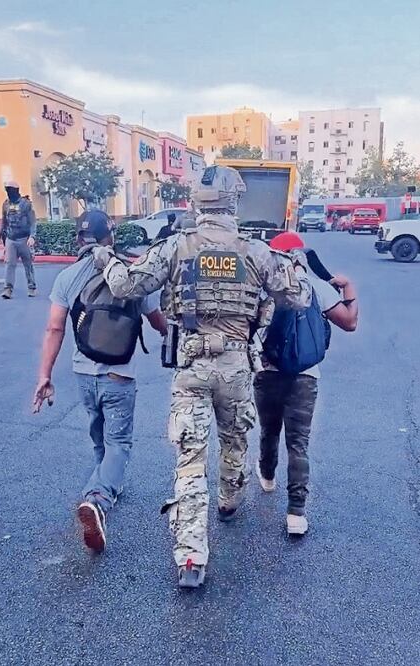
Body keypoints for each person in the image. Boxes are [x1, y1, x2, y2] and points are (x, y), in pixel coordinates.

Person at [91, 165, 312, 588]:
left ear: (196, 201)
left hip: (191, 367)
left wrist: (106, 258)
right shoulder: (256, 251)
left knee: (190, 458)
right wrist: (295, 264)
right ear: (235, 201)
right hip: (236, 367)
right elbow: (298, 297)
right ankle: (230, 499)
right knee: (235, 437)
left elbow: (126, 286)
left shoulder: (176, 247)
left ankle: (191, 557)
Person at [32, 210, 168, 553]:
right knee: (119, 442)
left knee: (99, 435)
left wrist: (45, 375)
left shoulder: (67, 277)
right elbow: (158, 322)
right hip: (119, 372)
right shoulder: (132, 273)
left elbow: (54, 328)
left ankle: (105, 483)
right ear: (112, 236)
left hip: (84, 373)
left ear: (79, 239)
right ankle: (98, 497)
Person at [254, 231, 358, 536]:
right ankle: (296, 514)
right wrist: (348, 287)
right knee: (298, 442)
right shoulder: (314, 288)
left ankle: (267, 475)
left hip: (267, 371)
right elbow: (349, 322)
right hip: (306, 376)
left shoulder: (262, 288)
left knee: (268, 430)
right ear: (300, 257)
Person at [0, 180, 37, 299]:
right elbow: (3, 221)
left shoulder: (26, 204)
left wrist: (32, 236)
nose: (8, 192)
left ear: (16, 190)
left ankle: (31, 287)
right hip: (11, 239)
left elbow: (33, 221)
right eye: (7, 189)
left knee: (28, 264)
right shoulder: (6, 204)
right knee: (9, 264)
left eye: (10, 189)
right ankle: (7, 289)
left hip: (24, 239)